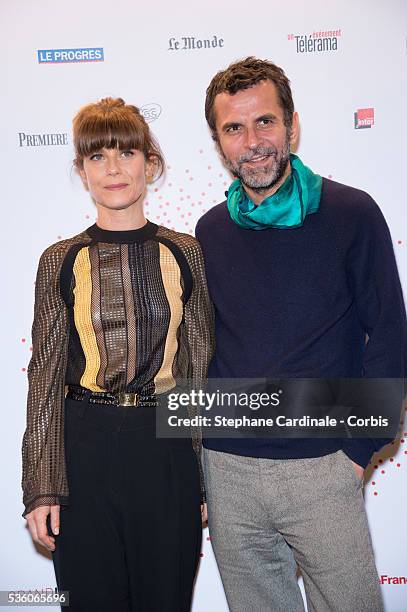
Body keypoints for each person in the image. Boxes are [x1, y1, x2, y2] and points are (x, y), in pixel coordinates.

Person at [195, 57, 407, 612]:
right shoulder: (210, 230)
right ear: (220, 143)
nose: (253, 141)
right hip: (229, 470)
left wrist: (357, 452)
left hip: (324, 467)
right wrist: (198, 459)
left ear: (292, 125)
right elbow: (202, 345)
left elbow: (388, 333)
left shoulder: (351, 212)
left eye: (264, 121)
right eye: (234, 129)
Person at [22, 97, 214, 612]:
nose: (113, 168)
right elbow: (43, 378)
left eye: (126, 153)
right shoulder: (60, 260)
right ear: (82, 171)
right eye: (97, 156)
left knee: (165, 601)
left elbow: (199, 370)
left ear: (150, 165)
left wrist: (202, 477)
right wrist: (42, 487)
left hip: (165, 449)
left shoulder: (185, 251)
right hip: (83, 448)